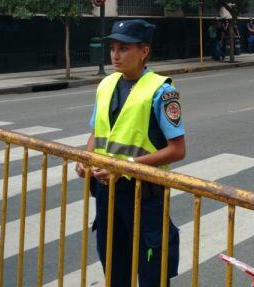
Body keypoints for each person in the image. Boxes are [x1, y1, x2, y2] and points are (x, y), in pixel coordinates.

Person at [77, 19, 185, 287]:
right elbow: (97, 132)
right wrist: (86, 159)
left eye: (124, 48)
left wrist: (126, 166)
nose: (115, 55)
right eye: (112, 48)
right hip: (107, 193)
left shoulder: (162, 91)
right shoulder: (106, 85)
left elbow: (177, 150)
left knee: (152, 276)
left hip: (144, 196)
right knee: (114, 271)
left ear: (144, 51)